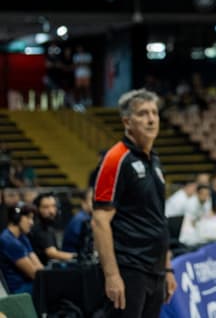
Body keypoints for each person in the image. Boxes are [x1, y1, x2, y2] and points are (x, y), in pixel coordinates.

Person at [92, 89, 177, 317]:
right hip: (129, 269)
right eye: (143, 114)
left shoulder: (155, 160)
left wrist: (167, 267)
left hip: (155, 270)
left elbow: (158, 218)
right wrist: (111, 275)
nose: (151, 119)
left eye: (154, 113)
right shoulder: (115, 159)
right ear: (127, 122)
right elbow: (100, 221)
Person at [0, 202, 42, 294]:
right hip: (17, 290)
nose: (32, 222)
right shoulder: (8, 241)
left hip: (28, 284)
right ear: (16, 217)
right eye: (28, 217)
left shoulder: (22, 237)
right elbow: (34, 274)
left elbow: (40, 268)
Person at [29, 191, 76, 265]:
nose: (51, 211)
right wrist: (76, 257)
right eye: (46, 207)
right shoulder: (39, 227)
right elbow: (51, 253)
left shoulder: (48, 226)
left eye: (53, 206)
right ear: (37, 209)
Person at [62, 187, 94, 258]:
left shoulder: (88, 217)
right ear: (84, 203)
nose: (96, 203)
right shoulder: (81, 220)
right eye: (92, 200)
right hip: (73, 262)